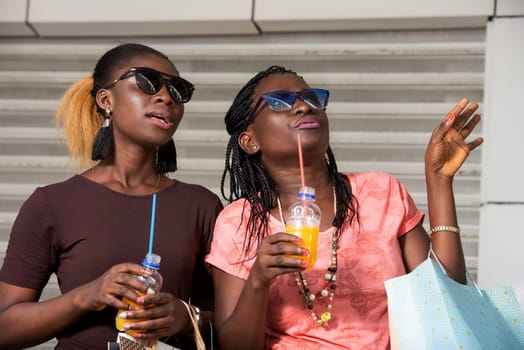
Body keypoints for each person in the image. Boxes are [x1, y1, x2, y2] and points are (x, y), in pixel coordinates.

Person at [205, 65, 483, 349]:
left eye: (312, 98)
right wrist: (258, 281)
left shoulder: (380, 192)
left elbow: (446, 300)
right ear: (250, 141)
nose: (303, 107)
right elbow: (235, 346)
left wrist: (439, 181)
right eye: (280, 101)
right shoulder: (238, 221)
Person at [0, 43, 223, 349]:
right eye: (147, 81)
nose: (167, 96)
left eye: (178, 89)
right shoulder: (52, 204)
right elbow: (5, 327)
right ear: (106, 99)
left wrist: (185, 318)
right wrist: (86, 296)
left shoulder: (202, 206)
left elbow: (228, 329)